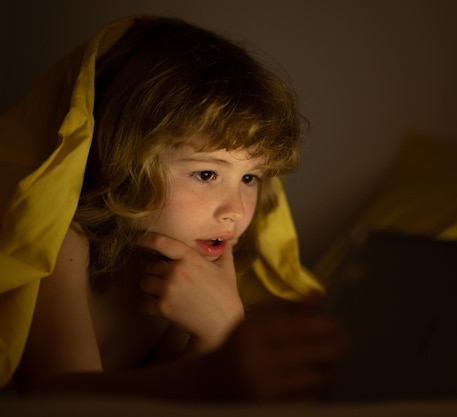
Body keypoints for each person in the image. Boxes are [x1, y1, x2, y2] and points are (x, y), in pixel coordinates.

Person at [3, 16, 345, 402]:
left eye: (251, 179)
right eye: (205, 174)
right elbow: (61, 402)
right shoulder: (65, 241)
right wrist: (224, 338)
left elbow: (181, 401)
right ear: (125, 162)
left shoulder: (185, 266)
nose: (234, 211)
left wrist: (218, 328)